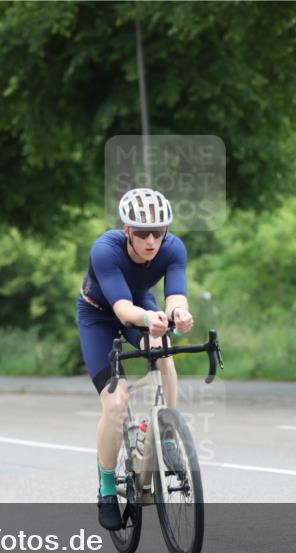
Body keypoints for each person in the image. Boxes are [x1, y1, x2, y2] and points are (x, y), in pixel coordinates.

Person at [77, 188, 194, 530]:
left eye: (159, 232)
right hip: (100, 314)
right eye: (142, 232)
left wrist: (179, 315)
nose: (151, 240)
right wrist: (150, 319)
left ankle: (167, 433)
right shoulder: (105, 249)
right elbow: (123, 310)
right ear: (127, 230)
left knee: (165, 354)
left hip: (140, 304)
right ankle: (108, 488)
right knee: (115, 404)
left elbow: (175, 296)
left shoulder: (173, 248)